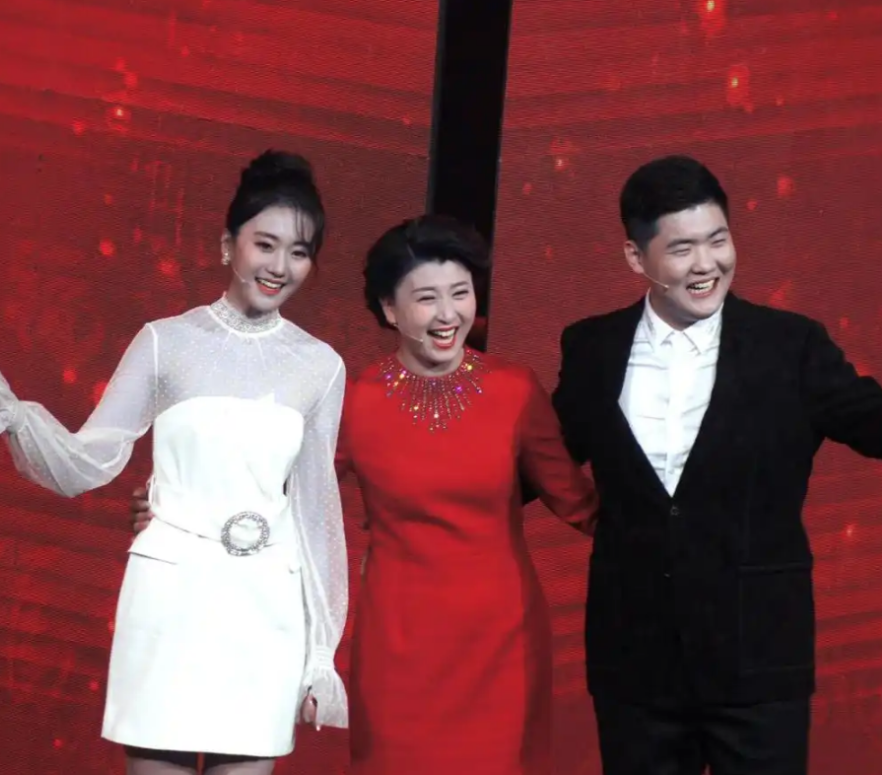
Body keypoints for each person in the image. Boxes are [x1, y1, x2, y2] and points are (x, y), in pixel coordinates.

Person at [552, 155, 882, 775]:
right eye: (683, 249)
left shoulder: (791, 347)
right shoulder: (593, 348)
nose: (707, 264)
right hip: (635, 672)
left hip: (759, 665)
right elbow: (541, 461)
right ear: (636, 258)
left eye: (719, 240)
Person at [132, 214, 599, 774]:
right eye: (426, 298)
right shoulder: (355, 399)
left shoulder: (515, 390)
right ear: (389, 310)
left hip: (503, 641)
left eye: (461, 293)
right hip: (396, 643)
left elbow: (580, 504)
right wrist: (179, 507)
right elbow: (278, 495)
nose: (448, 314)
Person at [0, 150, 350, 775]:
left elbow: (317, 513)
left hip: (266, 607)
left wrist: (321, 652)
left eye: (298, 252)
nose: (279, 266)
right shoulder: (166, 342)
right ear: (227, 246)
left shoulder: (320, 366)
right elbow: (85, 461)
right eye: (264, 245)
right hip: (169, 594)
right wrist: (6, 403)